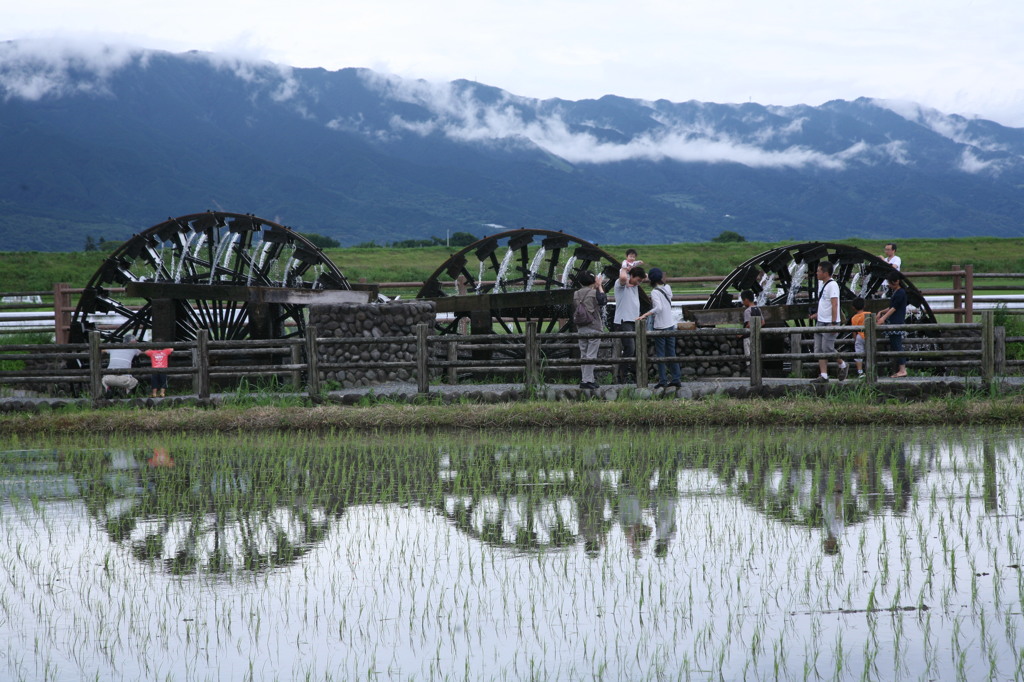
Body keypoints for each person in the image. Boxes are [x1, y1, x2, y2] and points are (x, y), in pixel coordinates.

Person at [637, 267, 681, 388]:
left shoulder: (655, 292)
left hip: (661, 326)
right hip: (670, 324)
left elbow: (659, 308)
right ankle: (676, 378)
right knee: (671, 353)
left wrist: (645, 314)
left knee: (661, 354)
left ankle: (663, 380)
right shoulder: (668, 288)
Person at [808, 261, 849, 383]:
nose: (816, 273)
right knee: (819, 350)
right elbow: (825, 303)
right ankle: (824, 375)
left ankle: (842, 364)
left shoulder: (832, 285)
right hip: (821, 321)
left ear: (825, 273)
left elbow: (835, 303)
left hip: (829, 323)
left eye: (819, 271)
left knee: (827, 348)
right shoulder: (823, 284)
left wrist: (834, 323)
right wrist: (817, 315)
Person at [613, 263, 646, 383]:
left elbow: (645, 276)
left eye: (640, 281)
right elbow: (622, 278)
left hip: (634, 321)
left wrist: (634, 269)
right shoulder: (620, 285)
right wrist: (624, 269)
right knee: (630, 348)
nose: (639, 283)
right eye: (638, 280)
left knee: (636, 349)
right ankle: (623, 376)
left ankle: (632, 375)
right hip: (624, 321)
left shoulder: (634, 285)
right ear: (631, 276)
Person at [573, 271, 606, 390]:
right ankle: (587, 381)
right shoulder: (593, 293)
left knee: (584, 354)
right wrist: (600, 286)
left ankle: (587, 379)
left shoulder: (576, 293)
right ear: (593, 281)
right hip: (593, 326)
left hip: (581, 327)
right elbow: (603, 301)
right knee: (591, 354)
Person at [875, 273, 908, 377]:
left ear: (897, 282)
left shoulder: (900, 293)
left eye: (890, 283)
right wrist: (881, 312)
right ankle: (900, 369)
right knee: (895, 344)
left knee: (897, 345)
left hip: (896, 321)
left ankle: (902, 370)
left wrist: (883, 318)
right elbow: (891, 307)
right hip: (894, 320)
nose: (889, 285)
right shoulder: (897, 292)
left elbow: (894, 308)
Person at [740, 289, 762, 364]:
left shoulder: (747, 311)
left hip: (748, 337)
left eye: (743, 300)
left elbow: (749, 324)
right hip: (757, 336)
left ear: (746, 300)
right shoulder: (758, 308)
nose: (743, 302)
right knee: (757, 356)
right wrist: (757, 328)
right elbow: (763, 322)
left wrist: (741, 333)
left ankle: (750, 372)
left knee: (749, 356)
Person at [849, 297, 868, 379]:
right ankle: (870, 370)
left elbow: (854, 331)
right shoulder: (869, 314)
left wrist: (854, 339)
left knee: (859, 354)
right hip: (868, 336)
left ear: (853, 307)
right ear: (864, 306)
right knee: (870, 353)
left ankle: (860, 372)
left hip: (860, 336)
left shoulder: (854, 318)